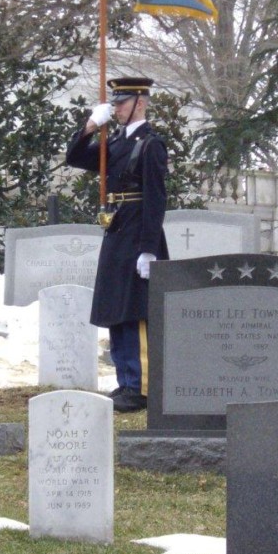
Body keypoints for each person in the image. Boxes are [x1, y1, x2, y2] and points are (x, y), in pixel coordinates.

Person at [66, 76, 169, 412]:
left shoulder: (150, 144)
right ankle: (126, 382)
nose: (117, 108)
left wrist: (149, 248)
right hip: (117, 228)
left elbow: (156, 199)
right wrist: (91, 125)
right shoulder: (117, 143)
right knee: (118, 309)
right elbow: (75, 157)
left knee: (136, 311)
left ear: (140, 102)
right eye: (115, 103)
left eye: (122, 102)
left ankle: (141, 387)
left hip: (138, 230)